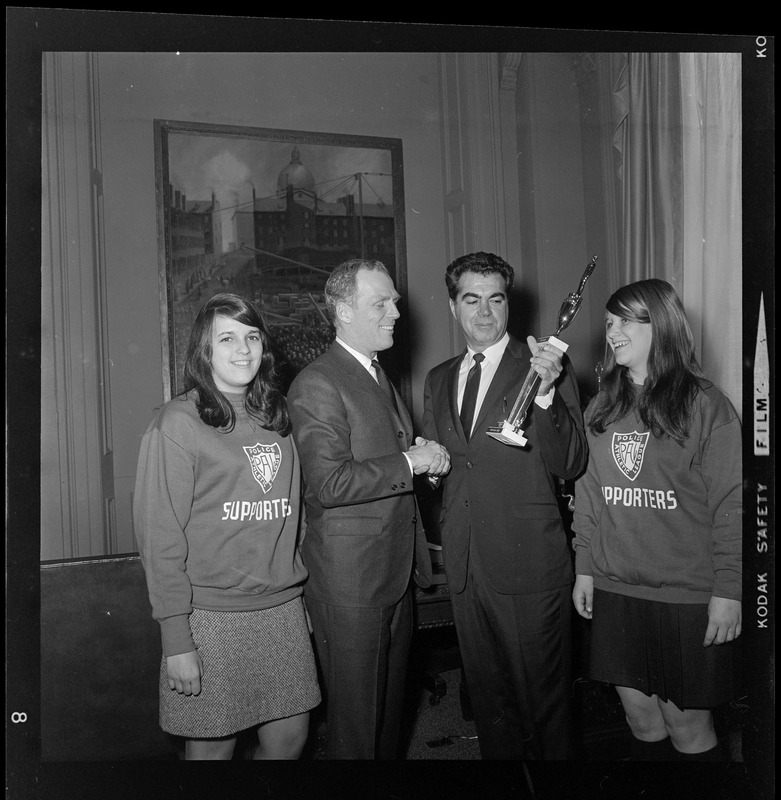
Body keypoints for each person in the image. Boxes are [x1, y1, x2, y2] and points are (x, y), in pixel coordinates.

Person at [133, 293, 320, 760]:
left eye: (252, 336)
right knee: (212, 752)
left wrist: (302, 599)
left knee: (289, 742)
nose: (243, 349)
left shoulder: (277, 417)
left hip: (281, 611)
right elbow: (160, 543)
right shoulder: (177, 423)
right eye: (227, 338)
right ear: (205, 351)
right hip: (210, 617)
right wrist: (177, 641)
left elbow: (293, 517)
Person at [421, 251, 588, 760]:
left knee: (545, 714)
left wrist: (545, 396)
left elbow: (572, 462)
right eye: (471, 299)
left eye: (496, 299)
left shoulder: (544, 366)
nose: (485, 312)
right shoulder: (438, 378)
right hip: (467, 568)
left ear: (508, 305)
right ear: (453, 307)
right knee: (491, 712)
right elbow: (450, 465)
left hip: (529, 569)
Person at [571, 278, 742, 761]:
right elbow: (589, 493)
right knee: (642, 722)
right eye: (609, 322)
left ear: (661, 324)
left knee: (687, 728)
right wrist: (584, 566)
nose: (613, 331)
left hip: (686, 595)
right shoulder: (601, 405)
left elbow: (733, 506)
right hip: (616, 589)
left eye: (627, 320)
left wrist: (729, 591)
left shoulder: (708, 405)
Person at [287, 258, 450, 759]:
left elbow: (383, 463)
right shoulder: (319, 382)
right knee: (358, 731)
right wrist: (409, 459)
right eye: (381, 303)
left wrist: (425, 464)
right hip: (351, 584)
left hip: (392, 574)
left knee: (384, 723)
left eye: (395, 301)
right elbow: (331, 483)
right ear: (341, 310)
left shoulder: (374, 373)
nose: (397, 312)